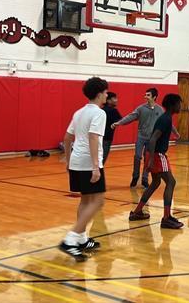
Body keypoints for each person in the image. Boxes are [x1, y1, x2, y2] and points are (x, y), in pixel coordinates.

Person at [59, 76, 108, 261]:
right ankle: (70, 239)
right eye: (105, 92)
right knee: (98, 201)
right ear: (98, 94)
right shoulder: (99, 113)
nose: (107, 95)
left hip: (77, 162)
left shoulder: (79, 112)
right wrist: (96, 167)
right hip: (89, 163)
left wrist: (68, 162)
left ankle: (81, 238)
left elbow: (66, 138)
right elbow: (93, 137)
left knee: (86, 200)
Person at [128, 94, 184, 229]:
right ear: (173, 105)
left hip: (153, 153)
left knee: (155, 182)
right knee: (171, 182)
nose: (180, 106)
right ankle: (166, 218)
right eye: (179, 103)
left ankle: (137, 212)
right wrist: (151, 160)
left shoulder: (166, 118)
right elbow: (153, 139)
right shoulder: (165, 119)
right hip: (157, 154)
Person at [112, 87, 175, 188]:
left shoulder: (160, 110)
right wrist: (119, 123)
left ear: (154, 97)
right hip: (141, 137)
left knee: (147, 158)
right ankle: (135, 176)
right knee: (137, 156)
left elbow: (168, 123)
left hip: (152, 139)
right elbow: (130, 116)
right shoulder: (141, 108)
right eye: (145, 95)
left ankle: (145, 179)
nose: (145, 97)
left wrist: (175, 133)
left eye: (148, 95)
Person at [101, 91, 122, 165]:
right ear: (108, 100)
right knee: (102, 159)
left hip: (99, 137)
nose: (116, 100)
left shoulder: (101, 110)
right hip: (106, 138)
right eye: (114, 98)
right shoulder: (113, 111)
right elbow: (122, 121)